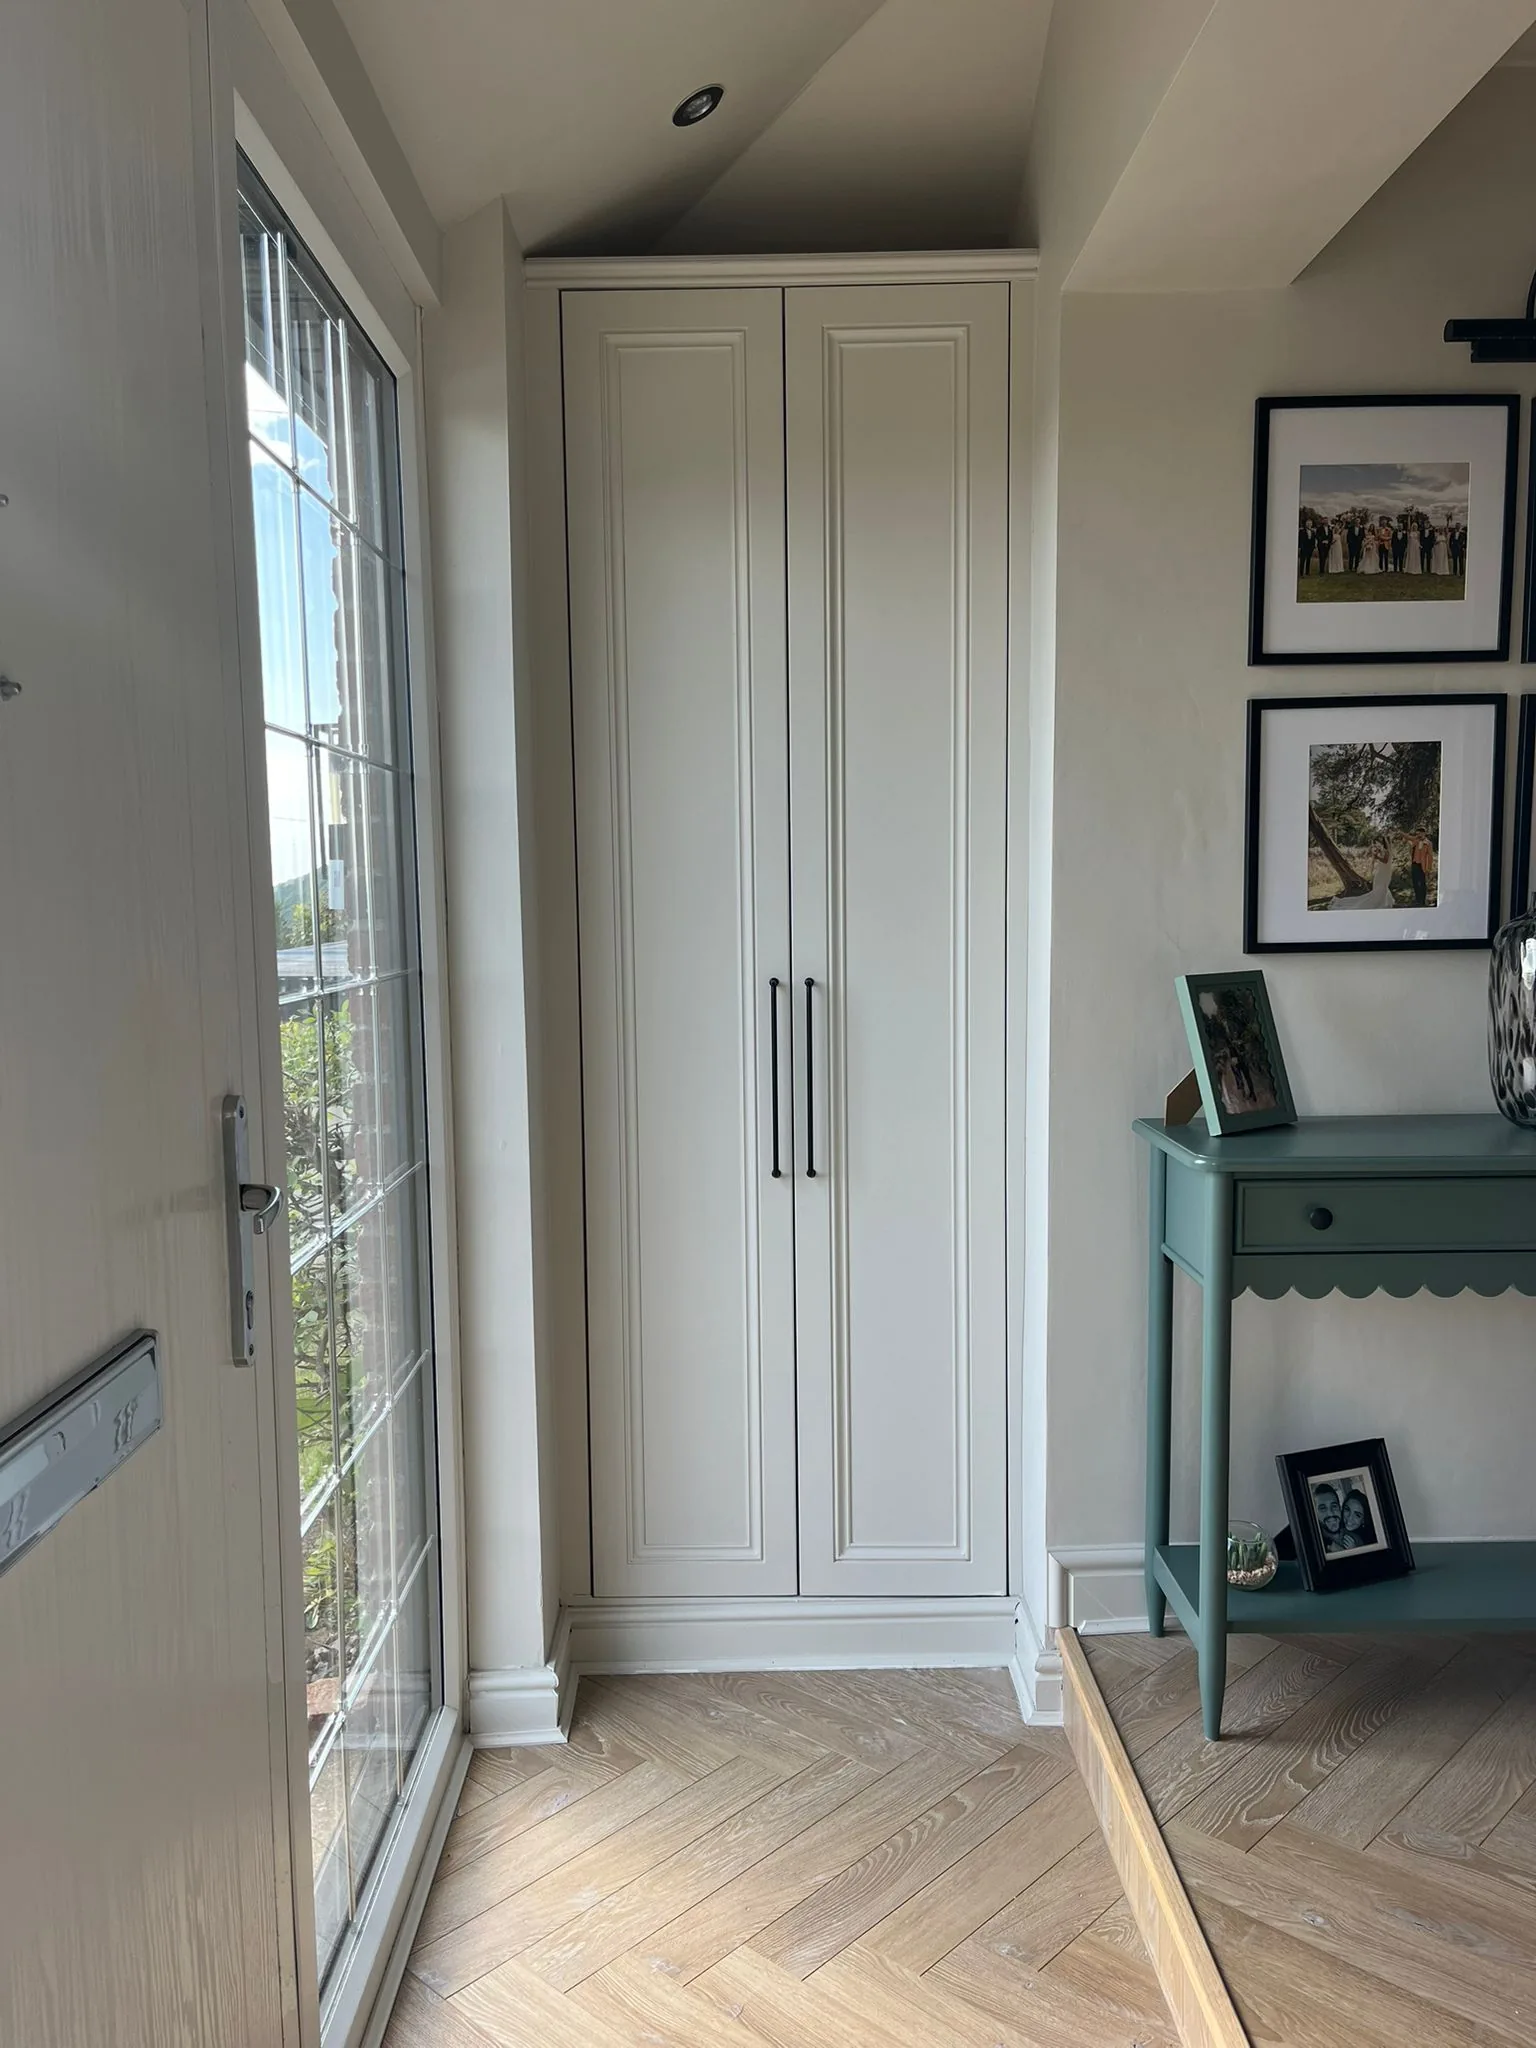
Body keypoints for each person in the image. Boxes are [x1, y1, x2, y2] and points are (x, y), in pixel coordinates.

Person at [1328, 839, 1394, 910]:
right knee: (1380, 887)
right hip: (1381, 872)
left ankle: (1383, 901)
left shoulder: (1387, 852)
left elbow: (1385, 860)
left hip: (1385, 872)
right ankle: (1381, 901)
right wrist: (1376, 854)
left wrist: (1377, 857)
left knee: (1383, 886)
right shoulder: (1383, 851)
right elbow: (1382, 859)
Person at [1409, 825, 1435, 907]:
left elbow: (1430, 856)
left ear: (1424, 833)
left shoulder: (1428, 843)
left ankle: (1422, 900)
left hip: (1422, 865)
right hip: (1414, 863)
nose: (1419, 835)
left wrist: (1429, 868)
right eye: (1418, 833)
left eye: (1420, 833)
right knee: (1415, 882)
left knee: (1422, 883)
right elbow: (1410, 848)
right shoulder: (1415, 841)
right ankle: (1417, 899)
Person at [1313, 1484, 1344, 1550]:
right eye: (1323, 1508)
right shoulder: (1314, 1546)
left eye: (1334, 1506)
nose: (1330, 1513)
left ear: (1340, 1508)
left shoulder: (1356, 1536)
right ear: (1315, 1514)